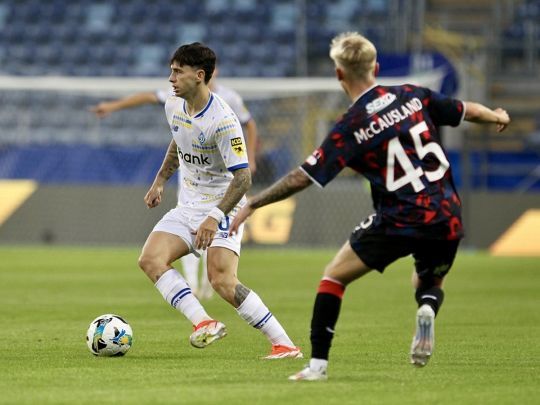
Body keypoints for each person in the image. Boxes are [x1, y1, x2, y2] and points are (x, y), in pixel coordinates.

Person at [230, 32, 510, 380]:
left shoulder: (350, 126)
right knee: (427, 280)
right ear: (375, 68)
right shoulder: (413, 95)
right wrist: (496, 115)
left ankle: (317, 366)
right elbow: (466, 110)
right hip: (446, 212)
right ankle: (426, 310)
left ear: (339, 75)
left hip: (399, 217)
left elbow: (302, 177)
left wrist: (253, 203)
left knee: (334, 276)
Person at [137, 42, 301, 358]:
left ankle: (284, 344)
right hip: (189, 204)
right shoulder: (173, 104)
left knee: (221, 280)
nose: (171, 78)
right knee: (150, 259)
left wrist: (215, 216)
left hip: (224, 203)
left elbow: (243, 179)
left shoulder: (224, 121)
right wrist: (160, 181)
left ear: (199, 76)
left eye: (177, 72)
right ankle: (204, 323)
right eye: (171, 71)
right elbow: (178, 139)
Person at [90, 68, 259, 300]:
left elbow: (250, 124)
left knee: (218, 265)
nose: (173, 78)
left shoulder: (229, 100)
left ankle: (208, 283)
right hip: (191, 175)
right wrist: (113, 106)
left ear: (205, 73)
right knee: (187, 222)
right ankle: (192, 285)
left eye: (179, 71)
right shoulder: (178, 96)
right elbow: (151, 98)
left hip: (220, 181)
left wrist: (250, 158)